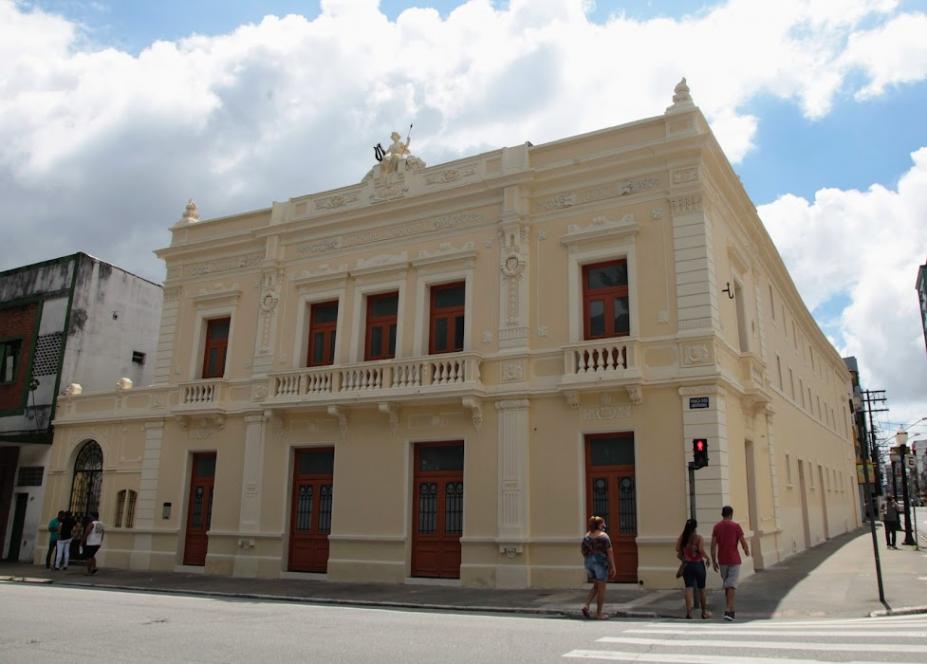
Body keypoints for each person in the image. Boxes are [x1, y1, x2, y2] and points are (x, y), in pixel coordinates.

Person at [711, 505, 749, 621]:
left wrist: (713, 560)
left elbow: (713, 545)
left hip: (722, 560)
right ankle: (728, 609)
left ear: (722, 514)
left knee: (727, 584)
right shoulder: (736, 526)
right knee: (731, 584)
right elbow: (742, 541)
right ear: (731, 514)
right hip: (734, 559)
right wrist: (746, 550)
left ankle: (731, 609)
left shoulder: (717, 527)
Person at [580, 515, 616, 620]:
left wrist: (589, 560)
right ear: (599, 525)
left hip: (589, 563)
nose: (604, 525)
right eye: (603, 523)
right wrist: (613, 566)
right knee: (601, 589)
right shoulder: (604, 536)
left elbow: (583, 551)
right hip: (600, 563)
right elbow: (610, 552)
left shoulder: (587, 536)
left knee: (596, 586)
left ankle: (586, 605)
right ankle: (599, 613)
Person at [676, 519, 711, 619]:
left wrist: (685, 555)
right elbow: (700, 550)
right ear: (695, 527)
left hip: (687, 565)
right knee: (702, 589)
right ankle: (704, 613)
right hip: (698, 565)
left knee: (688, 588)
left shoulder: (682, 537)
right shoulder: (699, 538)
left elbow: (677, 549)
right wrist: (707, 558)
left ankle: (689, 613)